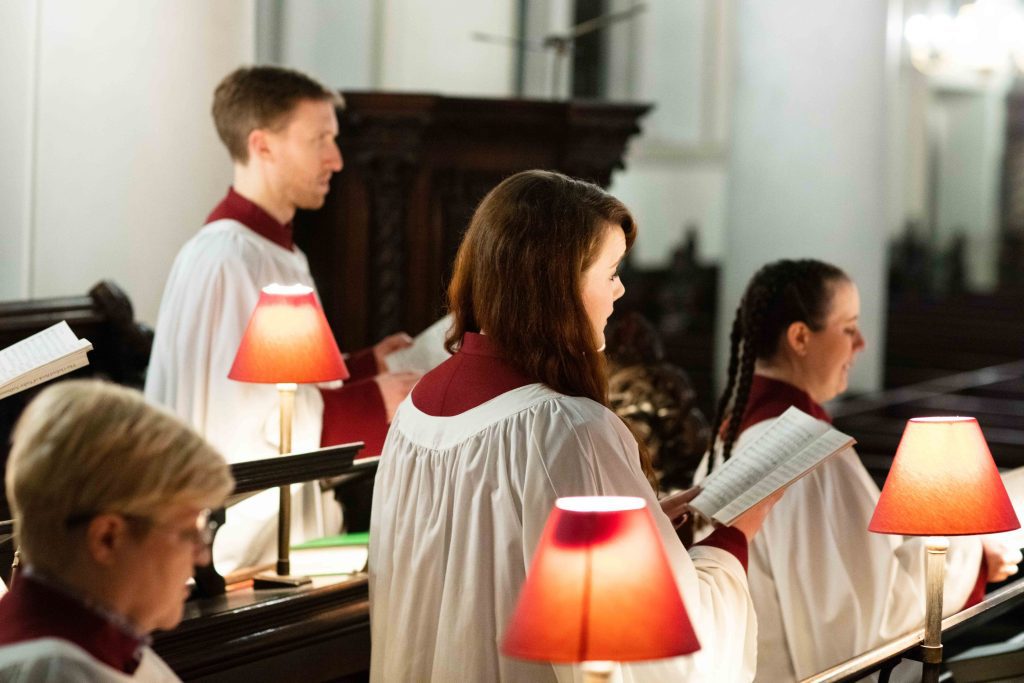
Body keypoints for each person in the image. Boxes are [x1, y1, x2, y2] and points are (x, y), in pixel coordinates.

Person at [369, 170, 778, 683]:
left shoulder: (415, 410)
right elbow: (658, 654)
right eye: (610, 273)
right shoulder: (566, 426)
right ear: (555, 284)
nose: (621, 290)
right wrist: (732, 539)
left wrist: (645, 524)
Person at [145, 66, 418, 570]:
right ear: (263, 145)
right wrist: (373, 405)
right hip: (238, 553)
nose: (336, 160)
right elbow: (241, 420)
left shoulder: (271, 250)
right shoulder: (229, 258)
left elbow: (282, 379)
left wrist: (363, 369)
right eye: (320, 140)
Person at [697, 259, 1022, 681]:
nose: (862, 343)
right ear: (800, 337)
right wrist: (973, 552)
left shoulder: (733, 440)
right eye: (849, 328)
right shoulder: (805, 457)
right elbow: (866, 626)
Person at [0, 380, 233, 682]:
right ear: (108, 539)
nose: (201, 558)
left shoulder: (95, 640)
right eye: (189, 533)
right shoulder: (59, 671)